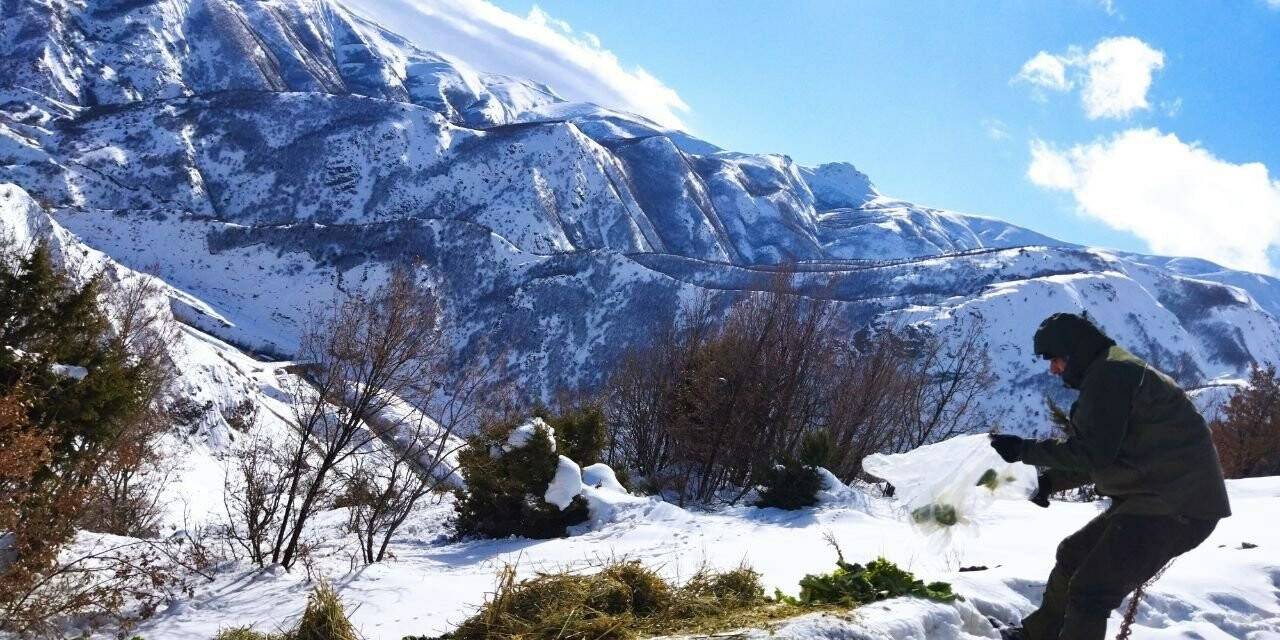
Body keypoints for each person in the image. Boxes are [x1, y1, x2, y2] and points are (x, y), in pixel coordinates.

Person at [988, 312, 1231, 640]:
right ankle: (1038, 635)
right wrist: (1050, 482)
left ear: (1075, 353)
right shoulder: (1111, 369)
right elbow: (1110, 450)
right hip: (1156, 498)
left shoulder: (1110, 376)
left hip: (1175, 507)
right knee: (1073, 556)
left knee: (1091, 591)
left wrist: (1023, 450)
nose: (1053, 369)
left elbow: (1094, 452)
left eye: (1056, 359)